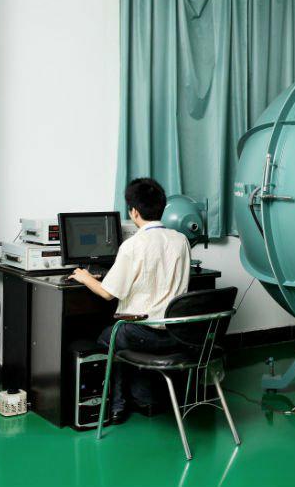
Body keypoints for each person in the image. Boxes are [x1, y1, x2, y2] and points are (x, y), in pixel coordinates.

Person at [69, 178, 191, 423]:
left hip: (143, 334)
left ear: (134, 212)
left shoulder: (133, 245)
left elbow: (107, 293)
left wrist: (84, 277)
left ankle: (117, 406)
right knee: (131, 335)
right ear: (162, 208)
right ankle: (144, 399)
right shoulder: (181, 240)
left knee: (110, 337)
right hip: (177, 335)